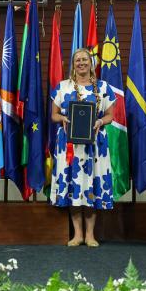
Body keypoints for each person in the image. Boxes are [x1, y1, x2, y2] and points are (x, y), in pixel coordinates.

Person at [49, 48, 115, 247]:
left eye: (85, 59)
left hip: (95, 146)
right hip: (69, 146)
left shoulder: (103, 87)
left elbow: (110, 116)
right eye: (78, 60)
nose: (81, 63)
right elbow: (53, 115)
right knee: (74, 186)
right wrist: (63, 118)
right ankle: (77, 234)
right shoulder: (62, 87)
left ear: (92, 63)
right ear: (73, 64)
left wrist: (100, 122)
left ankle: (90, 235)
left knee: (91, 185)